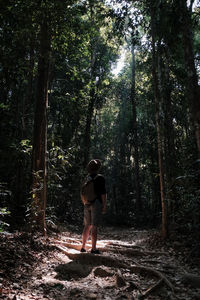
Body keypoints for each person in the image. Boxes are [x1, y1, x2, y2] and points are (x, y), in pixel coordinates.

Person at [81, 159, 107, 254]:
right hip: (96, 203)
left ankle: (83, 247)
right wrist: (104, 205)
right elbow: (103, 193)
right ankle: (94, 248)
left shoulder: (86, 178)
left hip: (86, 203)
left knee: (87, 226)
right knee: (95, 226)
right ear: (98, 168)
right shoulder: (100, 178)